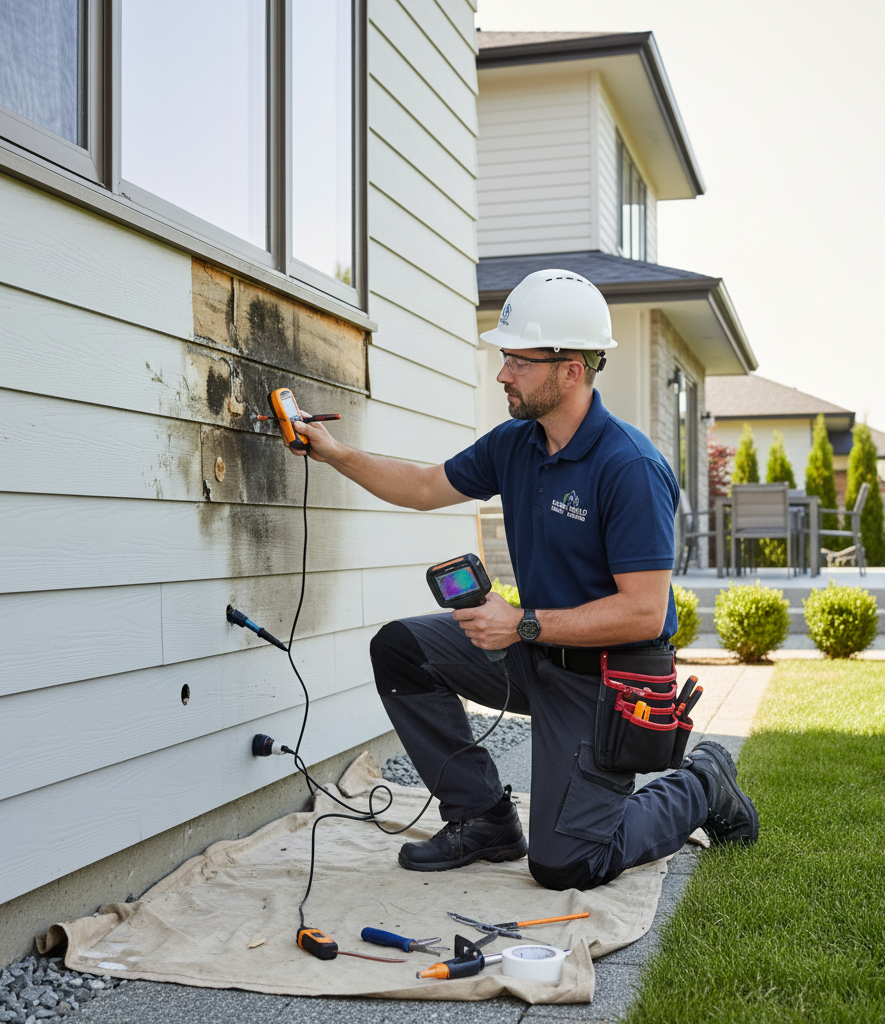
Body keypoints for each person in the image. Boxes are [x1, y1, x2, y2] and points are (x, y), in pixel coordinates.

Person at [294, 269, 758, 891]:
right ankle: (484, 818)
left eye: (518, 360)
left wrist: (522, 623)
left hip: (607, 678)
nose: (503, 374)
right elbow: (426, 487)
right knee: (402, 648)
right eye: (505, 358)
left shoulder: (630, 467)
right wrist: (335, 453)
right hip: (534, 650)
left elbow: (644, 613)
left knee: (568, 864)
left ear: (571, 370)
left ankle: (702, 783)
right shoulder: (516, 444)